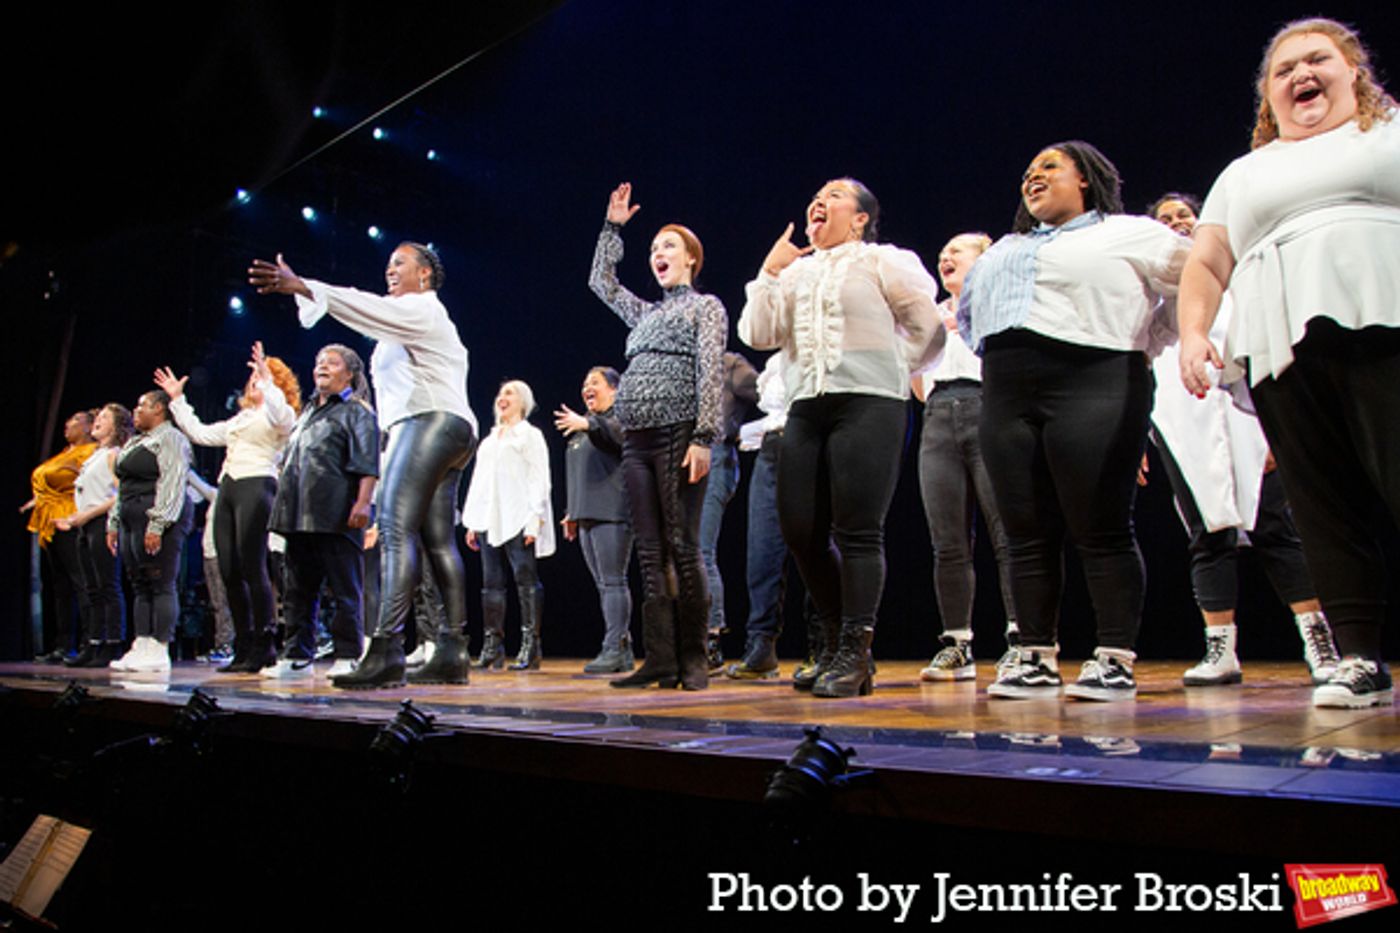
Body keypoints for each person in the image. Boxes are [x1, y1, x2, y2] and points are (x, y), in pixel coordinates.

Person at [1178, 17, 1400, 708]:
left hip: (1387, 317)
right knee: (1323, 504)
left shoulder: (1388, 133)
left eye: (1317, 60)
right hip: (1283, 347)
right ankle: (1359, 657)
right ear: (1268, 95)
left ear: (1353, 71)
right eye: (1284, 69)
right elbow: (1208, 260)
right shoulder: (1246, 172)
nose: (1302, 74)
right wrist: (1193, 333)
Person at [959, 141, 1189, 701]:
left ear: (1085, 177)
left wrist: (1150, 340)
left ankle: (1114, 658)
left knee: (1101, 526)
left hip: (1096, 380)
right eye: (1027, 171)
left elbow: (1199, 275)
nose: (1032, 177)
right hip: (1007, 390)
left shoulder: (1130, 233)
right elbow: (969, 319)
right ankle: (1035, 655)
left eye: (1049, 166)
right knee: (1024, 531)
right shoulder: (1003, 248)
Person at [740, 178, 943, 697]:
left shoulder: (883, 261)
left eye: (834, 194)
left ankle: (854, 649)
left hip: (870, 402)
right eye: (816, 195)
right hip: (806, 406)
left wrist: (889, 368)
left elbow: (926, 328)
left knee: (858, 530)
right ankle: (834, 638)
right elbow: (758, 334)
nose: (820, 200)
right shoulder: (795, 272)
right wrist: (769, 272)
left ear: (859, 218)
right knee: (800, 530)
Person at [249, 242, 477, 688]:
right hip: (449, 427)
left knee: (394, 530)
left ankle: (386, 648)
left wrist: (307, 286)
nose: (390, 270)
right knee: (437, 542)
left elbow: (365, 307)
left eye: (400, 263)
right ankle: (452, 651)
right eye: (388, 264)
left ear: (425, 274)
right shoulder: (413, 319)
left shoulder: (421, 309)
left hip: (427, 420)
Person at [1146, 192, 1338, 686]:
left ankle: (1319, 642)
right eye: (1165, 219)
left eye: (1184, 215)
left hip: (1248, 418)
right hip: (1182, 425)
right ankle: (1221, 649)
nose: (1176, 223)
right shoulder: (1153, 301)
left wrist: (1278, 427)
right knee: (1207, 535)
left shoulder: (1236, 284)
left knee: (1275, 526)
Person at [588, 182, 725, 691]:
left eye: (668, 246)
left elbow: (710, 370)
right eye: (653, 249)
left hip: (678, 434)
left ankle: (694, 658)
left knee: (682, 545)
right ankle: (661, 658)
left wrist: (704, 435)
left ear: (691, 258)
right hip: (636, 441)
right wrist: (612, 229)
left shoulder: (705, 307)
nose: (658, 254)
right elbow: (601, 282)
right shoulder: (646, 314)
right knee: (649, 553)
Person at [911, 232, 1019, 682]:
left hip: (987, 408)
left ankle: (1022, 640)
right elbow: (918, 384)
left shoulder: (1001, 306)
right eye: (942, 253)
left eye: (956, 250)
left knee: (1007, 533)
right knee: (948, 540)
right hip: (938, 415)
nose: (945, 257)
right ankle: (957, 644)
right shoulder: (930, 316)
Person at [156, 341, 300, 673]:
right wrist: (177, 400)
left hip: (257, 483)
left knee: (253, 566)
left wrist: (268, 380)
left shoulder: (280, 416)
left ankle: (265, 643)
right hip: (229, 487)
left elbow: (282, 417)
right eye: (253, 378)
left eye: (261, 378)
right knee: (229, 569)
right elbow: (200, 433)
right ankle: (243, 644)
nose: (254, 382)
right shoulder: (240, 419)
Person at [262, 344, 379, 680]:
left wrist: (363, 502)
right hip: (299, 514)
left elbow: (367, 461)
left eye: (332, 362)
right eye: (318, 362)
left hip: (337, 513)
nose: (322, 367)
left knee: (344, 588)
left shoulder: (357, 411)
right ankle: (297, 656)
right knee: (297, 590)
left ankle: (348, 653)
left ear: (350, 374)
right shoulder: (308, 412)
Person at [462, 379, 555, 670]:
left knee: (525, 580)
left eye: (510, 393)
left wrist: (535, 519)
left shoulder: (530, 435)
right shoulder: (489, 440)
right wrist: (473, 520)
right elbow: (479, 482)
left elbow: (540, 478)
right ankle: (493, 646)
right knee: (491, 584)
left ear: (523, 402)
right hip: (490, 518)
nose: (502, 398)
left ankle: (531, 644)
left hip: (518, 515)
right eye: (500, 393)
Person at [555, 366, 635, 674]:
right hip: (586, 513)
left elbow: (618, 437)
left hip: (612, 511)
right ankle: (621, 648)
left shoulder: (619, 418)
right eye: (585, 382)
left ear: (614, 389)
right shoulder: (582, 428)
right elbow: (577, 473)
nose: (587, 387)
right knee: (604, 585)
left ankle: (614, 648)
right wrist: (571, 511)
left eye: (595, 382)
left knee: (614, 581)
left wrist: (588, 423)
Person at [106, 390, 193, 673]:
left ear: (158, 409)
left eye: (142, 405)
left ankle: (159, 646)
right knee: (139, 584)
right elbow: (123, 486)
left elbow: (172, 482)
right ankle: (142, 643)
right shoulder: (137, 441)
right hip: (131, 516)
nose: (136, 410)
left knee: (160, 581)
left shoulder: (171, 438)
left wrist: (158, 523)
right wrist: (114, 522)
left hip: (157, 514)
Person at [54, 405, 130, 667]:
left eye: (105, 418)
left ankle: (112, 644)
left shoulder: (113, 455)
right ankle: (93, 644)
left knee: (108, 586)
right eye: (98, 417)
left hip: (103, 524)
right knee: (91, 589)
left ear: (116, 427)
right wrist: (73, 518)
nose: (97, 420)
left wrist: (87, 515)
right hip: (85, 526)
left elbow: (121, 495)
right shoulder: (94, 456)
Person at [697, 351, 759, 670]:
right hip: (685, 460)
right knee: (686, 553)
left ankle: (711, 639)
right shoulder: (687, 365)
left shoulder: (729, 364)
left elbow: (770, 394)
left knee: (701, 551)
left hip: (716, 456)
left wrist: (742, 432)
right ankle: (690, 636)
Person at [23, 411, 97, 662]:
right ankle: (64, 645)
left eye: (74, 421)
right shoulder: (65, 453)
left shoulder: (91, 452)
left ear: (88, 427)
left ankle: (89, 642)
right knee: (60, 585)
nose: (67, 424)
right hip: (51, 521)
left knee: (80, 581)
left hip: (71, 519)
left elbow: (87, 482)